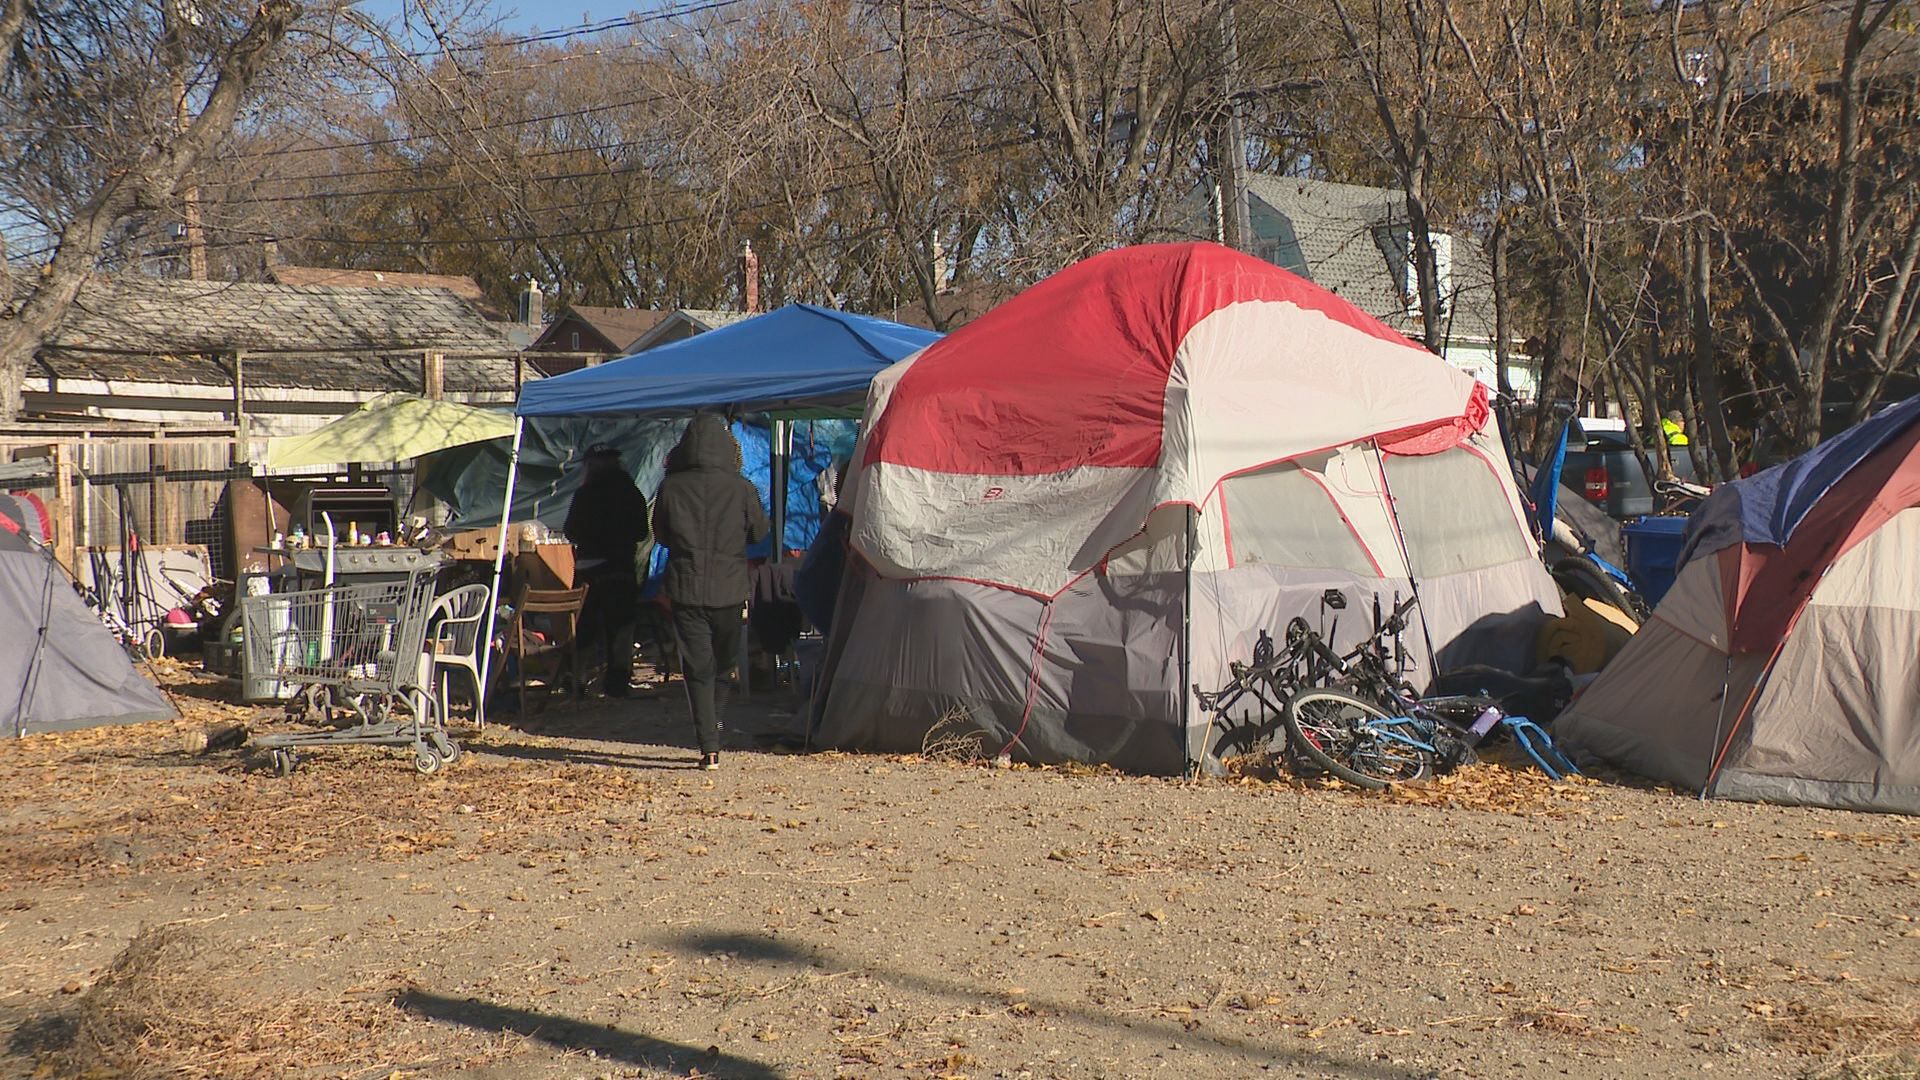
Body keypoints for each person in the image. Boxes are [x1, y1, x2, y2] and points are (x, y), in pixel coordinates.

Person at [652, 415, 770, 770]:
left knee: (697, 667)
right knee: (724, 662)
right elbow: (759, 533)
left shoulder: (670, 487)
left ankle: (709, 746)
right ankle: (715, 724)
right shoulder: (741, 488)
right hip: (729, 587)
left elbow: (660, 535)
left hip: (686, 586)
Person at [563, 444, 649, 698]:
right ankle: (617, 683)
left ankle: (576, 679)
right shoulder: (630, 492)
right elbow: (641, 531)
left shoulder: (584, 494)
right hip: (620, 567)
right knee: (620, 628)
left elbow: (571, 531)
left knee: (586, 627)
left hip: (589, 568)